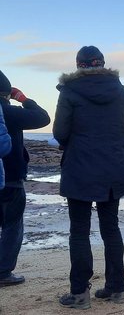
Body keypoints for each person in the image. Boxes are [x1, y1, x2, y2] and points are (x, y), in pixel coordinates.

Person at [53, 46, 124, 309]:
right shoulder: (120, 90)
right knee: (110, 228)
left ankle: (79, 294)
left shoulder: (69, 91)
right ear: (103, 64)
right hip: (114, 169)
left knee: (79, 232)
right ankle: (116, 288)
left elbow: (60, 132)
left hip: (80, 169)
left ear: (78, 65)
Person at [0, 70, 50, 287]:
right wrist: (23, 99)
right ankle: (3, 272)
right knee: (12, 225)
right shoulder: (8, 112)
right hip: (10, 178)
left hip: (9, 177)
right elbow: (43, 117)